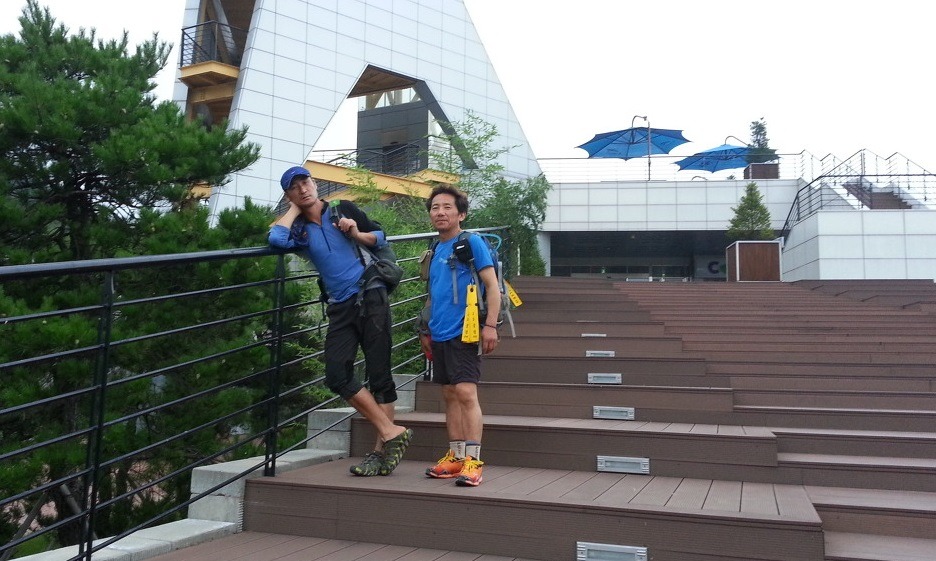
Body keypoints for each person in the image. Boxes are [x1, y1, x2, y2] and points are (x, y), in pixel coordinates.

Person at [269, 165, 412, 476]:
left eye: (306, 182)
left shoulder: (342, 209)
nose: (303, 189)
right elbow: (276, 240)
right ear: (288, 195)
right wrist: (294, 209)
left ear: (314, 182)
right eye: (294, 187)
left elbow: (380, 237)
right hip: (339, 307)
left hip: (370, 294)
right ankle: (391, 431)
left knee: (379, 375)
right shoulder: (299, 231)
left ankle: (381, 453)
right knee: (336, 374)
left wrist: (355, 232)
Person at [418, 185, 500, 487]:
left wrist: (490, 326)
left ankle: (473, 461)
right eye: (435, 207)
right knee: (449, 395)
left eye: (447, 207)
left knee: (465, 393)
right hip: (439, 331)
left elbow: (492, 286)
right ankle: (455, 456)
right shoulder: (435, 248)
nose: (440, 212)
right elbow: (432, 294)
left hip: (466, 329)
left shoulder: (471, 242)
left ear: (461, 214)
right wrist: (424, 329)